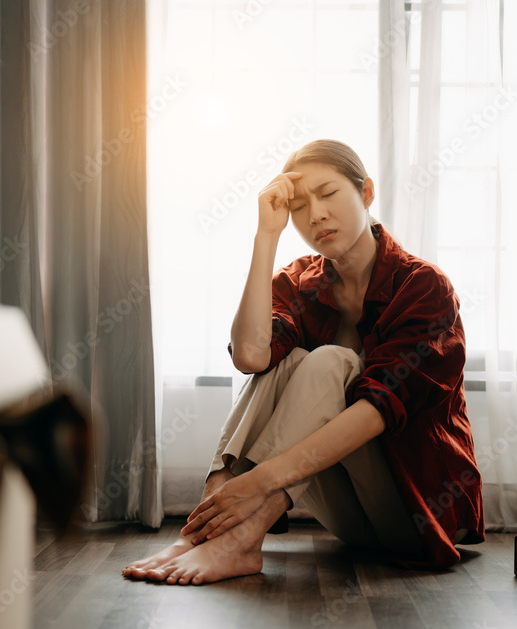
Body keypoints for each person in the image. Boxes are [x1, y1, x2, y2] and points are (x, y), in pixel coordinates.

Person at [123, 139, 484, 585]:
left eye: (329, 195)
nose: (315, 215)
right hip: (352, 519)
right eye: (298, 207)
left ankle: (239, 538)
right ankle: (204, 528)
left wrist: (255, 484)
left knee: (331, 361)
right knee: (285, 360)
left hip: (420, 515)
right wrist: (266, 235)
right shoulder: (300, 281)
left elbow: (376, 413)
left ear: (366, 193)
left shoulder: (423, 286)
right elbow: (252, 356)